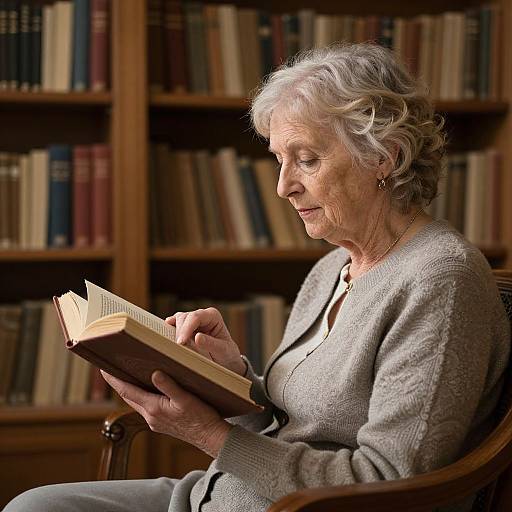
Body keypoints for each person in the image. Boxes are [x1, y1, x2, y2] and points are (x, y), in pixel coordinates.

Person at [4, 43, 510, 512]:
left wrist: (209, 435)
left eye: (306, 159)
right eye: (279, 160)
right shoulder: (334, 265)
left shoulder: (441, 281)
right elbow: (293, 423)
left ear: (385, 157)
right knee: (34, 507)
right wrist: (232, 376)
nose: (283, 187)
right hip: (223, 495)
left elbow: (390, 480)